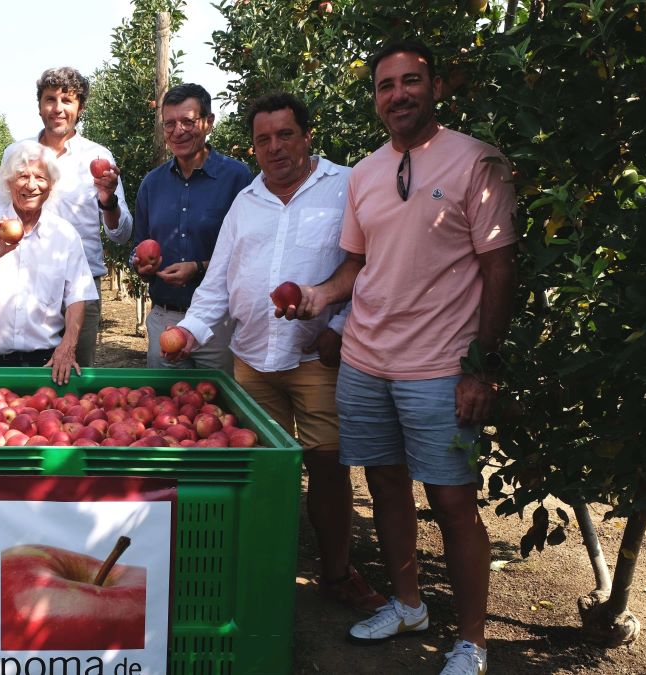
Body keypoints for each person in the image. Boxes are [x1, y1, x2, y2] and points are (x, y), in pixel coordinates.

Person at [281, 40, 516, 675]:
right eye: (386, 85)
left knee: (451, 500)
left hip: (440, 366)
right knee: (383, 484)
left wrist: (482, 364)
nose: (398, 95)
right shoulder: (365, 173)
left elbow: (499, 265)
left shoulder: (476, 161)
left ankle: (471, 640)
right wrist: (317, 298)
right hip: (364, 360)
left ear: (436, 87)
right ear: (376, 98)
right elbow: (356, 266)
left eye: (411, 82)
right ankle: (408, 603)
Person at [164, 92, 387, 614]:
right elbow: (218, 282)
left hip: (315, 359)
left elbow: (370, 267)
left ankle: (335, 572)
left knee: (328, 468)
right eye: (263, 139)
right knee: (258, 471)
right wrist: (192, 332)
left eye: (285, 134)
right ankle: (258, 567)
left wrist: (341, 323)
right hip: (250, 359)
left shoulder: (345, 187)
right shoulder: (247, 200)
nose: (275, 147)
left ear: (308, 136)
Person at [0, 67, 132, 367]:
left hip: (80, 287)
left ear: (80, 107)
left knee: (75, 385)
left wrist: (108, 202)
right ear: (39, 105)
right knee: (24, 382)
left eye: (67, 100)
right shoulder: (16, 154)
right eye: (50, 99)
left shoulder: (98, 157)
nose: (58, 108)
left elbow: (121, 234)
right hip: (25, 280)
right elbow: (1, 218)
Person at [0, 140, 97, 385]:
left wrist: (68, 346)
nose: (31, 185)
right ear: (8, 182)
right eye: (22, 176)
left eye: (40, 177)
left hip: (45, 364)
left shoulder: (64, 234)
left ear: (51, 184)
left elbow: (77, 297)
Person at [131, 83, 252, 374]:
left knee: (221, 412)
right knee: (163, 411)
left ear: (208, 123)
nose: (178, 131)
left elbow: (249, 254)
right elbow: (137, 249)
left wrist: (198, 267)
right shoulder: (152, 184)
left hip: (218, 324)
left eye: (188, 121)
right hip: (164, 318)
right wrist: (141, 265)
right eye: (170, 123)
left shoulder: (237, 178)